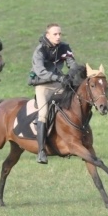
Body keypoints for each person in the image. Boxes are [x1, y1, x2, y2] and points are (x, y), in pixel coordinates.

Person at [28, 23, 78, 164]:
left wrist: (72, 74)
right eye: (55, 34)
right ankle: (41, 151)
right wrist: (58, 77)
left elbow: (72, 63)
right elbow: (40, 71)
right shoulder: (40, 50)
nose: (58, 37)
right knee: (43, 113)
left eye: (60, 34)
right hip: (42, 85)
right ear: (47, 35)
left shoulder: (64, 47)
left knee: (75, 100)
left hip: (59, 83)